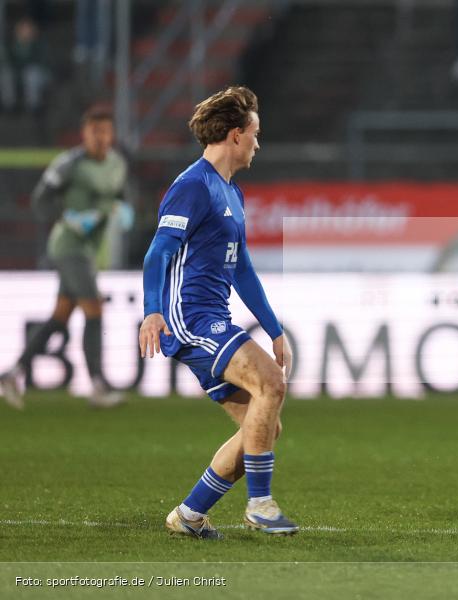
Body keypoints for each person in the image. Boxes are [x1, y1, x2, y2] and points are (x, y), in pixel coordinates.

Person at [139, 86, 298, 539]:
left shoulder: (230, 192)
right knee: (271, 383)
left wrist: (274, 329)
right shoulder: (193, 186)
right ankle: (261, 505)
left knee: (262, 429)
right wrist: (152, 312)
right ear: (235, 135)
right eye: (255, 133)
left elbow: (241, 269)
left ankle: (189, 515)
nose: (258, 144)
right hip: (188, 318)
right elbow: (157, 253)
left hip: (213, 317)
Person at [0, 105, 131, 410]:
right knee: (94, 308)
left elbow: (118, 196)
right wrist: (67, 218)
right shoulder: (69, 164)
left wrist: (124, 208)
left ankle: (12, 374)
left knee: (60, 317)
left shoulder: (117, 164)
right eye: (94, 132)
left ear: (111, 134)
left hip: (89, 249)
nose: (100, 137)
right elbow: (40, 200)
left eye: (105, 131)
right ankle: (97, 385)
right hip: (68, 246)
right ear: (84, 134)